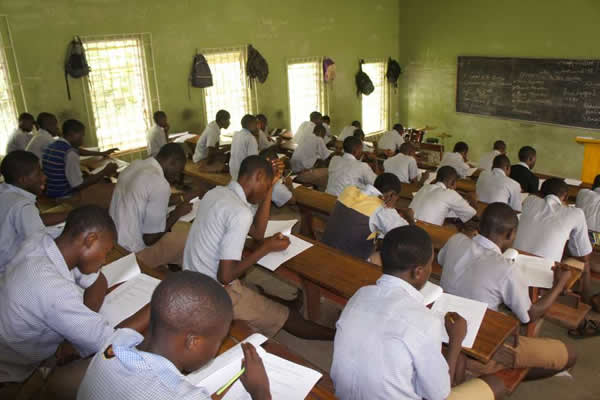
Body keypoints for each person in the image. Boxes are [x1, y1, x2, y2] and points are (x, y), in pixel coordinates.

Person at [331, 225, 505, 400]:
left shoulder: (360, 295)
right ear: (419, 272)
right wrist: (455, 341)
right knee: (495, 384)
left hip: (344, 396)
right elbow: (438, 395)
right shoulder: (424, 321)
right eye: (430, 264)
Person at [0, 206, 149, 400]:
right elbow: (110, 343)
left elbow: (98, 280)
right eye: (106, 251)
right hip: (12, 373)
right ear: (90, 240)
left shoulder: (42, 241)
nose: (104, 260)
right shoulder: (53, 289)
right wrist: (155, 306)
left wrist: (76, 330)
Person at [183, 155, 334, 340]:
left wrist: (269, 187)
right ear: (259, 176)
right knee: (290, 318)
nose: (265, 193)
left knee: (256, 291)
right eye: (267, 184)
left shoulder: (216, 193)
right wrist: (266, 248)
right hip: (213, 295)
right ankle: (338, 336)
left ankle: (281, 306)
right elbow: (226, 276)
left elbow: (258, 233)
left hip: (191, 280)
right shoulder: (240, 212)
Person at [77, 271, 271, 400]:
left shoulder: (113, 345)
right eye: (219, 340)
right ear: (193, 342)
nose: (219, 346)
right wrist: (260, 391)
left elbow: (151, 310)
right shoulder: (185, 397)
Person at [438, 203, 577, 379]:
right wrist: (560, 284)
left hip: (444, 331)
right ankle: (498, 375)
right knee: (569, 354)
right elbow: (529, 316)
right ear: (511, 234)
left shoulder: (455, 240)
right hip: (480, 348)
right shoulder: (506, 269)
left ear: (480, 227)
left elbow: (442, 261)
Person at [110, 143, 197, 269]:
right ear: (173, 161)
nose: (178, 176)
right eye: (179, 170)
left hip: (114, 240)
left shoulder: (135, 165)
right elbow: (149, 239)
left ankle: (168, 267)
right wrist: (176, 214)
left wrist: (181, 200)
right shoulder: (159, 183)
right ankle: (183, 276)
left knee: (178, 231)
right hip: (131, 252)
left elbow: (145, 199)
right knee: (190, 235)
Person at [514, 178, 592, 302]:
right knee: (585, 264)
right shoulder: (576, 214)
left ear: (540, 193)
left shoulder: (529, 201)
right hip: (545, 276)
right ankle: (586, 302)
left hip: (515, 265)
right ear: (565, 197)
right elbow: (584, 256)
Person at [0, 150, 68, 271]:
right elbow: (42, 245)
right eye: (38, 173)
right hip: (9, 269)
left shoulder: (4, 191)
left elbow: (35, 219)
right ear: (23, 180)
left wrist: (69, 215)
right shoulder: (22, 205)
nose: (44, 176)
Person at [322, 173, 408, 260]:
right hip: (347, 261)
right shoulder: (382, 209)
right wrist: (409, 216)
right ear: (392, 195)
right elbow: (404, 235)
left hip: (324, 249)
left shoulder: (348, 190)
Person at [42, 119, 118, 198]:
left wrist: (102, 153)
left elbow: (79, 151)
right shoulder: (70, 153)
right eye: (81, 135)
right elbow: (78, 185)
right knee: (112, 190)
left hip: (51, 192)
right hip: (65, 196)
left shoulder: (53, 145)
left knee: (97, 180)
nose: (82, 139)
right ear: (71, 134)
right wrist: (104, 171)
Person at [409, 166, 477, 226]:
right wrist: (473, 199)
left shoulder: (424, 187)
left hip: (409, 225)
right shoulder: (450, 193)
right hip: (425, 232)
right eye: (455, 183)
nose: (455, 187)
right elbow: (471, 214)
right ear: (452, 182)